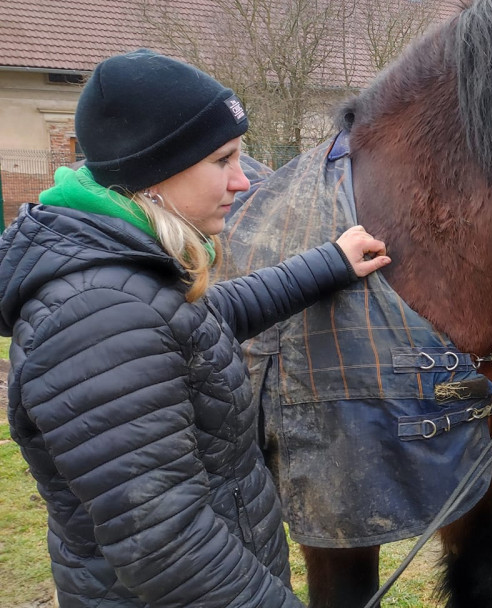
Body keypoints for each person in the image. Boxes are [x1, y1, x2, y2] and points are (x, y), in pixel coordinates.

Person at [0, 50, 391, 608]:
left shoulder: (124, 271)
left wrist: (331, 261)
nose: (241, 182)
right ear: (154, 173)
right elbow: (167, 545)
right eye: (222, 160)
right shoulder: (95, 315)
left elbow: (208, 322)